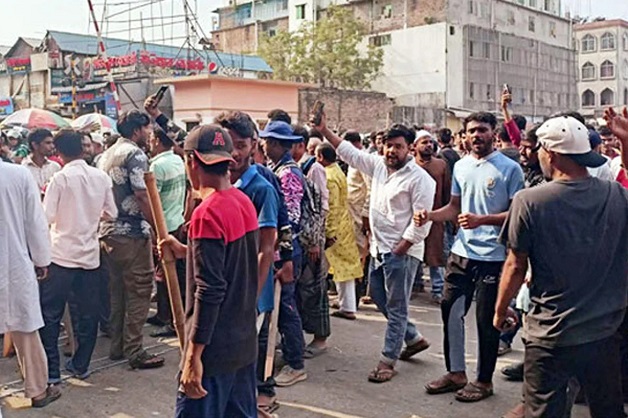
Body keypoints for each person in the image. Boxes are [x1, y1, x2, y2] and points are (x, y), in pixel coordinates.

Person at [494, 115, 628, 418]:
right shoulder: (617, 195)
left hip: (551, 335)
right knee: (608, 410)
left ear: (549, 153)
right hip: (604, 333)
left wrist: (500, 311)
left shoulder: (529, 201)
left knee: (545, 412)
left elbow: (516, 265)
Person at [313, 114, 435, 383]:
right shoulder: (379, 165)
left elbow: (421, 222)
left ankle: (387, 360)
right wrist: (324, 131)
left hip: (402, 252)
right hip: (381, 249)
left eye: (398, 146)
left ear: (410, 148)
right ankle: (413, 337)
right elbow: (349, 153)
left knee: (397, 305)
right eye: (388, 145)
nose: (392, 151)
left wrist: (401, 249)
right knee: (379, 296)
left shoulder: (420, 179)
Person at [417, 112, 524, 403]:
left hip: (494, 256)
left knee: (488, 318)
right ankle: (456, 373)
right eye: (472, 131)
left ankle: (484, 381)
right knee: (450, 309)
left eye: (483, 130)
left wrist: (483, 220)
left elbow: (516, 213)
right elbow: (454, 207)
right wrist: (430, 215)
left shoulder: (510, 169)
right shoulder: (462, 166)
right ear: (464, 135)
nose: (477, 135)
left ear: (494, 133)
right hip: (461, 253)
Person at [161, 124, 260, 417]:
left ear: (191, 162)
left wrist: (194, 355)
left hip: (214, 350)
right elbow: (231, 262)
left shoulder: (207, 213)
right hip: (243, 343)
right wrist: (185, 251)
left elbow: (210, 289)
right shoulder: (243, 202)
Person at [214, 111, 282, 415]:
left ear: (254, 144)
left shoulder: (260, 188)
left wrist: (249, 296)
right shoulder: (216, 183)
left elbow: (266, 249)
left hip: (249, 292)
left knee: (243, 357)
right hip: (222, 289)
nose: (234, 153)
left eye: (241, 145)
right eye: (228, 145)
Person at [40, 129, 117, 384]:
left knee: (50, 315)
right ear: (82, 149)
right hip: (89, 256)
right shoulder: (100, 177)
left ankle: (52, 371)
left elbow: (46, 217)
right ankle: (81, 364)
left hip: (61, 254)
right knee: (88, 314)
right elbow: (111, 213)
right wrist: (90, 216)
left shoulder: (60, 180)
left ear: (59, 153)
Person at [98, 110, 165, 369]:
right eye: (147, 129)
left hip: (109, 233)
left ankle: (118, 346)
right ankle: (135, 350)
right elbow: (142, 195)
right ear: (137, 130)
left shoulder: (105, 154)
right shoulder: (135, 154)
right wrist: (159, 230)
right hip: (133, 233)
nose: (149, 135)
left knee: (117, 293)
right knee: (139, 291)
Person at [0, 159, 61, 407]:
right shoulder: (18, 175)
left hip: (12, 261)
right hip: (12, 262)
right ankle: (37, 390)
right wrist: (41, 259)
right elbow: (34, 223)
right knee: (25, 325)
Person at [259, 120, 308, 387]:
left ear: (277, 144)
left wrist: (282, 256)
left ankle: (296, 363)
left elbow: (289, 219)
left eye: (267, 141)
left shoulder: (288, 173)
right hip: (277, 250)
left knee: (287, 308)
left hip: (285, 252)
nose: (263, 146)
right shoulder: (274, 168)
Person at [291, 125, 331, 357]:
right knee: (301, 291)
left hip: (311, 238)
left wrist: (316, 241)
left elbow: (320, 207)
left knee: (315, 288)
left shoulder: (313, 168)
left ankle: (320, 338)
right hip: (302, 237)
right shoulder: (295, 166)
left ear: (301, 145)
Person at [147, 126, 187, 338]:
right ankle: (164, 314)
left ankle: (171, 320)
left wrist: (153, 229)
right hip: (177, 219)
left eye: (152, 138)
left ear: (159, 141)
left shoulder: (157, 165)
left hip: (164, 224)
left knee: (166, 275)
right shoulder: (177, 161)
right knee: (168, 275)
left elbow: (153, 198)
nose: (150, 142)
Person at [316, 142, 363, 320]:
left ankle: (344, 306)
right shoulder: (338, 172)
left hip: (335, 226)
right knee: (344, 267)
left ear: (321, 157)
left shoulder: (328, 176)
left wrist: (329, 232)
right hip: (344, 223)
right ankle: (347, 304)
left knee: (328, 268)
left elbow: (332, 206)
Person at [414, 131, 451, 304]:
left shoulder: (441, 165)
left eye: (430, 142)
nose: (428, 145)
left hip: (436, 215)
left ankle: (437, 289)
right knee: (414, 250)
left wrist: (446, 214)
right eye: (424, 142)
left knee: (436, 254)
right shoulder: (410, 165)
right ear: (415, 146)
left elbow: (446, 191)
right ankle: (416, 283)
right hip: (414, 216)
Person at [343, 131, 372, 304]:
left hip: (359, 215)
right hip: (350, 213)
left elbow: (370, 189)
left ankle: (357, 296)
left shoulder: (362, 161)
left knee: (360, 255)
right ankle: (351, 298)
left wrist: (366, 217)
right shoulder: (352, 162)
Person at [22, 128, 61, 193]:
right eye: (48, 143)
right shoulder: (24, 168)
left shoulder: (55, 167)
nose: (52, 146)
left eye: (52, 143)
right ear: (35, 145)